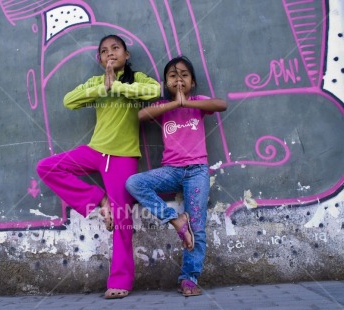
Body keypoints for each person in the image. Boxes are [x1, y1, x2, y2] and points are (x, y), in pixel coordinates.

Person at [36, 34, 160, 299]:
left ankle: (121, 282)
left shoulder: (136, 79)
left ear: (126, 55)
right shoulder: (96, 82)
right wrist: (102, 88)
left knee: (123, 220)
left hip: (123, 157)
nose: (110, 53)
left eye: (116, 48)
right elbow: (70, 100)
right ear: (99, 59)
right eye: (104, 51)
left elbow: (154, 91)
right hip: (94, 152)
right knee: (46, 167)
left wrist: (118, 87)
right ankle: (99, 199)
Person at [125, 56, 227, 297]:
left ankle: (189, 279)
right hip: (170, 170)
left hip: (197, 171)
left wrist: (188, 104)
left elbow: (221, 104)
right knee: (134, 183)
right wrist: (175, 105)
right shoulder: (163, 106)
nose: (178, 79)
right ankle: (175, 220)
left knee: (198, 226)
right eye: (173, 75)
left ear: (192, 82)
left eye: (184, 75)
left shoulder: (198, 103)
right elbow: (139, 117)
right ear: (165, 82)